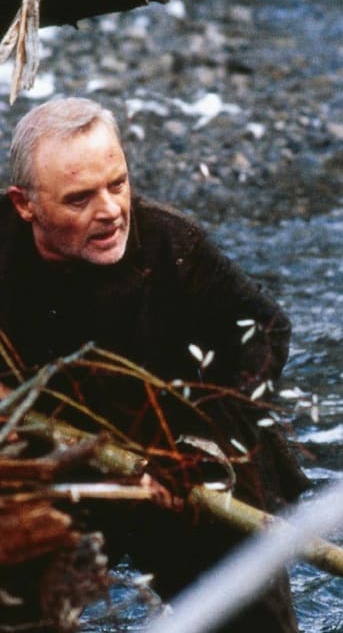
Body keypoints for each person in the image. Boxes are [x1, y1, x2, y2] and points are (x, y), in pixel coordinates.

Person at [0, 97, 309, 632]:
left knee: (250, 618)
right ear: (25, 205)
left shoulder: (171, 243)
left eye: (117, 184)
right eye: (79, 199)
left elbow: (264, 328)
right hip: (51, 461)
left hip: (182, 462)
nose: (110, 211)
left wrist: (201, 445)